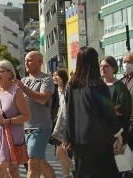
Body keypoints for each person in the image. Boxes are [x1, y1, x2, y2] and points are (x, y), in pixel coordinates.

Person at [65, 46, 123, 178]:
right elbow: (108, 112)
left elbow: (68, 112)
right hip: (98, 139)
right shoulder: (98, 85)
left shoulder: (71, 85)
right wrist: (118, 135)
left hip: (77, 138)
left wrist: (68, 136)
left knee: (83, 173)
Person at [15, 51, 56, 178]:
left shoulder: (46, 79)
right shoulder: (24, 80)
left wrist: (22, 88)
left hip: (39, 127)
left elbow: (43, 98)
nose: (26, 63)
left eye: (30, 60)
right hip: (24, 128)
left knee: (32, 162)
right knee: (40, 161)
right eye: (25, 60)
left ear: (39, 62)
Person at [52, 69, 75, 178]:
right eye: (54, 75)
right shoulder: (56, 91)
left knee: (60, 153)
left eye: (57, 75)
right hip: (59, 125)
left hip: (66, 126)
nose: (55, 77)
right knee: (62, 154)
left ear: (63, 77)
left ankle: (75, 170)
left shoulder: (68, 89)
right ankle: (66, 175)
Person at [121, 51, 133, 151]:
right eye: (124, 62)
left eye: (128, 62)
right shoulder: (122, 81)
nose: (126, 64)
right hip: (125, 125)